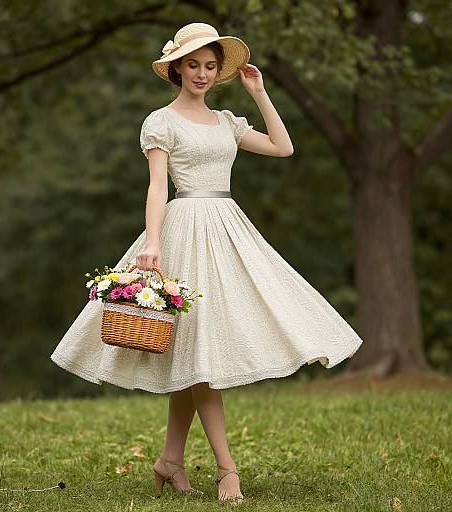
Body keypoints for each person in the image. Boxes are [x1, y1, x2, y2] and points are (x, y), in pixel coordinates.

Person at [50, 22, 363, 505]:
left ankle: (169, 462)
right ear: (177, 68)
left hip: (228, 230)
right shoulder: (161, 122)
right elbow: (157, 186)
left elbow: (284, 147)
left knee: (198, 352)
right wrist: (152, 244)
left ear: (220, 74)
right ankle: (226, 469)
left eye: (210, 66)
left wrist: (259, 94)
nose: (201, 73)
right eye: (193, 65)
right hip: (184, 230)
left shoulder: (227, 122)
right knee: (200, 354)